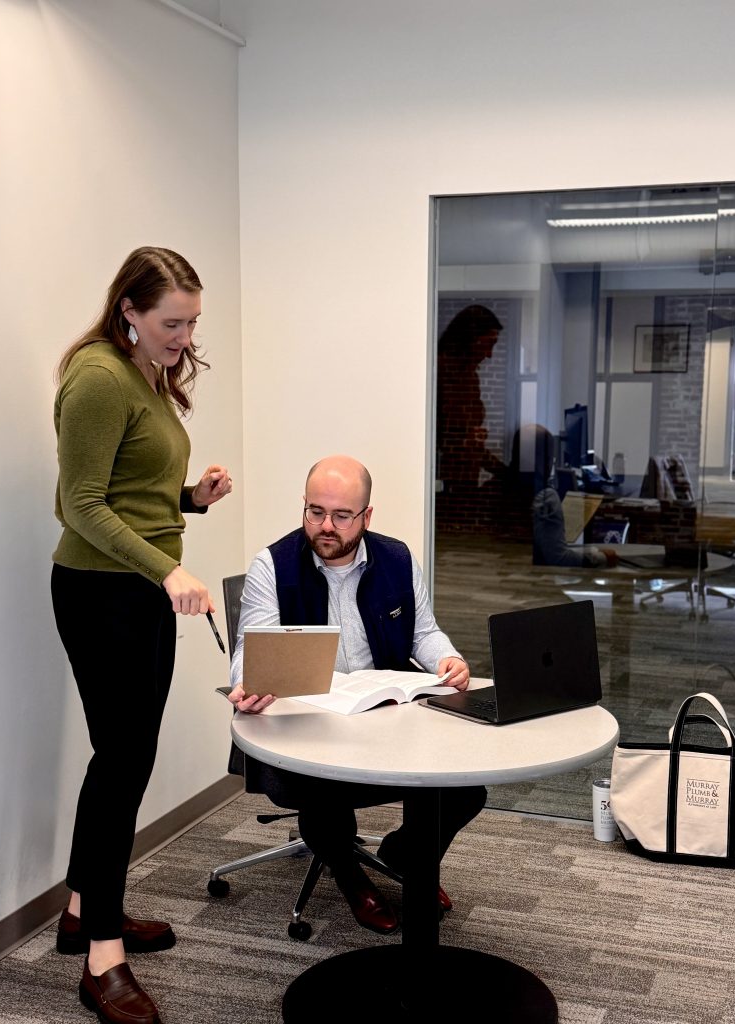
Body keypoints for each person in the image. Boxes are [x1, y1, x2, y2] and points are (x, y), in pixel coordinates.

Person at [51, 246, 232, 1024]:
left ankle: (81, 910)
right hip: (102, 594)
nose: (184, 337)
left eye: (192, 322)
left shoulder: (147, 375)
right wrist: (165, 570)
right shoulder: (96, 377)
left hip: (140, 591)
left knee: (126, 758)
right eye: (171, 322)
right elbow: (80, 506)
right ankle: (101, 961)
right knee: (121, 764)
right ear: (128, 308)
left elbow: (136, 490)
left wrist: (191, 497)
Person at [228, 455, 487, 934]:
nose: (326, 526)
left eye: (341, 515)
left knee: (466, 788)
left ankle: (402, 857)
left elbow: (423, 633)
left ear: (367, 516)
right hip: (305, 728)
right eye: (314, 511)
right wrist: (250, 679)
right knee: (319, 788)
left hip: (384, 720)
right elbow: (250, 646)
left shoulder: (397, 558)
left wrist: (446, 659)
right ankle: (351, 877)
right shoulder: (273, 565)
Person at [435, 304, 507, 531]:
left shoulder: (469, 377)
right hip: (449, 487)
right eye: (487, 344)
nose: (489, 354)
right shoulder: (440, 373)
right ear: (470, 340)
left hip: (464, 482)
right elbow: (440, 438)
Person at [512, 423, 615, 568]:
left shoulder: (500, 488)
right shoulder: (545, 498)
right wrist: (601, 558)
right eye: (549, 457)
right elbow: (559, 558)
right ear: (541, 459)